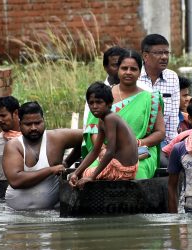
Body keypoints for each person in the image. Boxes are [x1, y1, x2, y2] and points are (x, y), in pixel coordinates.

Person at [82, 49, 165, 179]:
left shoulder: (151, 99)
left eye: (133, 69)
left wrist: (137, 143)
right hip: (105, 152)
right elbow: (93, 129)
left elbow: (160, 132)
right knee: (90, 173)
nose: (128, 72)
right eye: (124, 68)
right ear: (118, 70)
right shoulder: (102, 96)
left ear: (140, 72)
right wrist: (103, 150)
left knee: (138, 174)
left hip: (140, 152)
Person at [2, 101, 83, 210]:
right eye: (28, 124)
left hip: (49, 213)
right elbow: (16, 181)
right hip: (15, 216)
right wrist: (50, 170)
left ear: (44, 120)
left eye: (38, 123)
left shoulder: (57, 138)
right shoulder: (14, 145)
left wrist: (67, 162)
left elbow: (89, 136)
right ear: (20, 124)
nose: (34, 128)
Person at [69, 82, 139, 188]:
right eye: (91, 103)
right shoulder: (102, 121)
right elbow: (95, 151)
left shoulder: (110, 119)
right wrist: (76, 173)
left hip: (123, 170)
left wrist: (91, 177)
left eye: (98, 102)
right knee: (78, 174)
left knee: (86, 174)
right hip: (122, 166)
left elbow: (110, 152)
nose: (94, 106)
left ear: (109, 104)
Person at [138, 33, 180, 147]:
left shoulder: (172, 77)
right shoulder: (134, 76)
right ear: (145, 56)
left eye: (166, 52)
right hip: (138, 140)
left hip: (163, 142)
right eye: (158, 53)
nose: (164, 57)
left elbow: (173, 118)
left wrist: (172, 147)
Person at [83, 46, 127, 129]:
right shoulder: (95, 92)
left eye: (122, 65)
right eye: (115, 65)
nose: (119, 69)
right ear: (105, 67)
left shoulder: (141, 91)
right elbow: (88, 125)